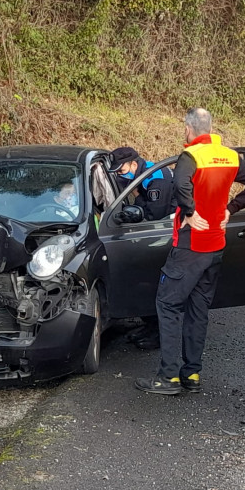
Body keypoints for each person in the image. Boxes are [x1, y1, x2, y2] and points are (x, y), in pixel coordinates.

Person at [135, 108, 245, 395]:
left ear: (189, 129)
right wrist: (231, 208)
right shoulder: (229, 156)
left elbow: (179, 183)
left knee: (167, 304)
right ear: (211, 128)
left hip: (190, 245)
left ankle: (168, 377)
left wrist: (189, 211)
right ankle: (191, 374)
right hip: (215, 246)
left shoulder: (191, 156)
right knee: (198, 309)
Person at [109, 146, 177, 349]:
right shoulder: (142, 172)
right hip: (158, 230)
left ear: (134, 164)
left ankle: (158, 335)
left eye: (122, 170)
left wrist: (137, 197)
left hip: (166, 232)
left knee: (151, 282)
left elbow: (154, 214)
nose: (122, 175)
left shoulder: (156, 179)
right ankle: (149, 325)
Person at [108, 146, 176, 222]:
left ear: (134, 165)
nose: (119, 175)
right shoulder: (145, 168)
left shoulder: (155, 181)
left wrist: (136, 194)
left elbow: (154, 218)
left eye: (121, 171)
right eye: (116, 173)